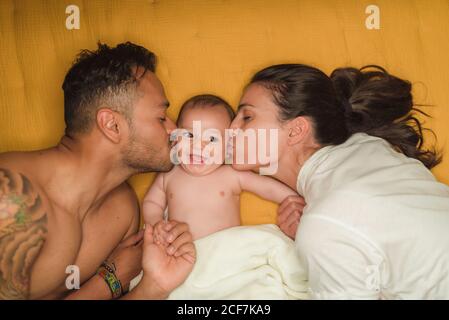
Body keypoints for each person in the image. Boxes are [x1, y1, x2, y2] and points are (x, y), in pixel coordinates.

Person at [230, 64, 449, 299]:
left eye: (247, 117)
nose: (231, 129)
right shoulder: (368, 145)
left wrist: (318, 235)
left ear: (296, 131)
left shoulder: (325, 223)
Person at [0, 42, 195, 300]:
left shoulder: (122, 211)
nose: (174, 130)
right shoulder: (11, 195)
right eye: (161, 117)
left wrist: (153, 287)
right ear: (112, 124)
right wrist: (109, 281)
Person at [143, 94, 297, 241]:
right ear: (176, 138)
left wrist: (296, 201)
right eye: (189, 135)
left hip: (224, 250)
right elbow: (152, 203)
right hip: (179, 253)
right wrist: (156, 222)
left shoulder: (232, 174)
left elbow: (269, 188)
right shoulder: (169, 174)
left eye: (211, 138)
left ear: (228, 147)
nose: (198, 145)